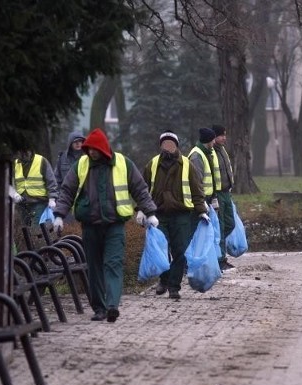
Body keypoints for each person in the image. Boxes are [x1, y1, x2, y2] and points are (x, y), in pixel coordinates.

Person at [52, 128, 158, 322]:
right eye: (88, 149)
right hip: (90, 225)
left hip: (114, 225)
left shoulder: (123, 164)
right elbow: (67, 190)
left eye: (93, 149)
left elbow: (140, 189)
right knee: (94, 267)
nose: (90, 152)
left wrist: (149, 212)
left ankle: (111, 305)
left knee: (113, 264)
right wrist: (59, 214)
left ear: (103, 148)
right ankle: (99, 308)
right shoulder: (81, 165)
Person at [140, 131, 209, 300]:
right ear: (161, 146)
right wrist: (142, 209)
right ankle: (163, 280)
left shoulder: (187, 165)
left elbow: (197, 191)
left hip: (182, 216)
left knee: (180, 251)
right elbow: (142, 189)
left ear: (176, 146)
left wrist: (202, 211)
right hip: (159, 215)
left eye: (171, 143)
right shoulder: (153, 164)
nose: (168, 146)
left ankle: (174, 287)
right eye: (165, 143)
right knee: (162, 250)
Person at [211, 124, 236, 271]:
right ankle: (220, 259)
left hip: (226, 192)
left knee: (229, 224)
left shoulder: (222, 150)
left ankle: (218, 251)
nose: (224, 138)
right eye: (221, 135)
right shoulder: (211, 152)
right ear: (214, 136)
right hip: (218, 194)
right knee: (219, 227)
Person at [13, 150, 58, 227]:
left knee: (36, 229)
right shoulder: (15, 164)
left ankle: (38, 239)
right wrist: (14, 194)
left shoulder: (41, 161)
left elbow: (51, 181)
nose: (23, 154)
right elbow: (11, 182)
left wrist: (52, 198)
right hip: (22, 204)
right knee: (24, 230)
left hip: (39, 202)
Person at [188, 127, 220, 214]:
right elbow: (196, 182)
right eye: (213, 140)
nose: (214, 142)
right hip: (201, 199)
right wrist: (201, 202)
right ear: (208, 140)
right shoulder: (196, 156)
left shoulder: (206, 153)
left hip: (207, 198)